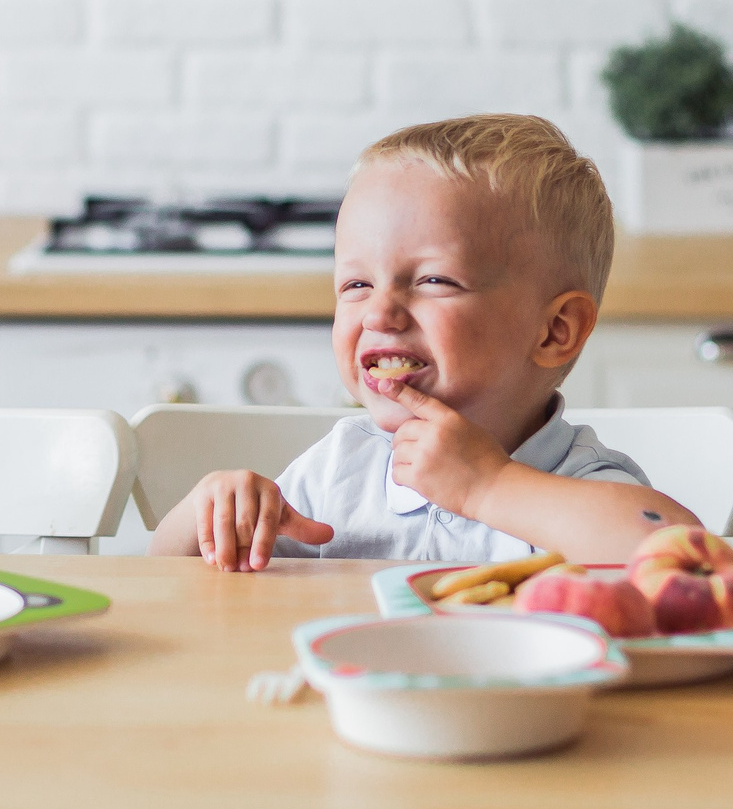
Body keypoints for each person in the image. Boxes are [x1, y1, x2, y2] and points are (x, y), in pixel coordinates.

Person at [150, 114, 702, 571]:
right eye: (356, 284)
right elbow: (165, 580)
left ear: (555, 331)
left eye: (434, 281)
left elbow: (678, 555)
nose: (380, 312)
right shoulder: (341, 470)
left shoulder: (577, 480)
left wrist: (488, 486)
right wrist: (210, 512)